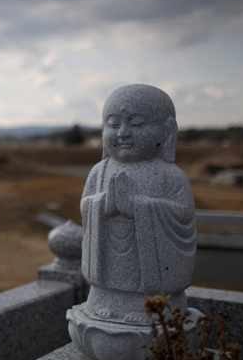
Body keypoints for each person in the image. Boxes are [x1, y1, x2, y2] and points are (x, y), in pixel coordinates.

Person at [79, 84, 196, 324]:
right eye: (113, 124)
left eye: (136, 123)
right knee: (108, 288)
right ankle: (105, 301)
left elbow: (183, 215)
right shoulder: (99, 172)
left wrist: (139, 206)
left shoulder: (170, 175)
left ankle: (153, 306)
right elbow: (84, 205)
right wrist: (102, 205)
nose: (122, 132)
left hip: (149, 264)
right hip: (109, 260)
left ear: (167, 131)